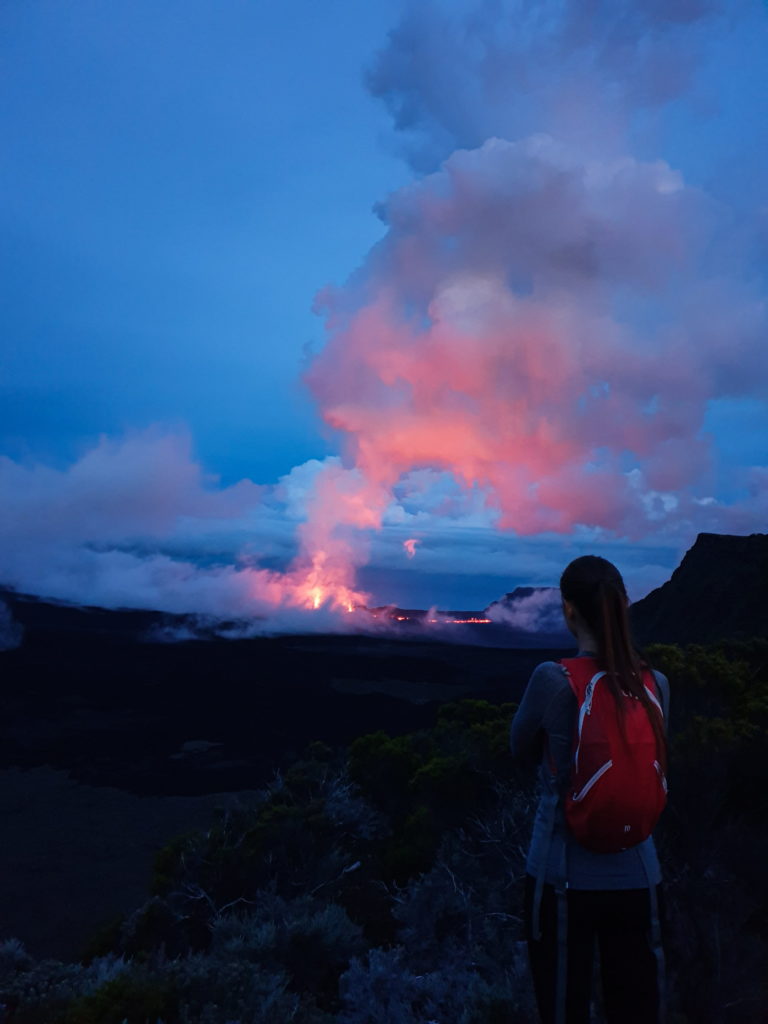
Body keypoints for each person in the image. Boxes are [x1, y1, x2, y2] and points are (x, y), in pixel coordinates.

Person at [510, 555, 669, 1024]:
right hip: (641, 874)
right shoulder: (656, 684)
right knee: (638, 1008)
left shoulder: (551, 680)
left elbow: (519, 750)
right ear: (623, 606)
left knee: (563, 1006)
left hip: (561, 877)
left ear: (569, 610)